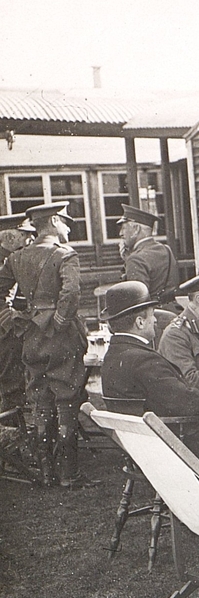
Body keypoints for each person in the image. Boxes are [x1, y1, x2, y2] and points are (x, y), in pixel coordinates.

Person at [99, 280, 199, 474]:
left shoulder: (113, 356)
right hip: (171, 447)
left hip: (138, 445)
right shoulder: (144, 360)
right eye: (151, 317)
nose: (156, 321)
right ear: (140, 322)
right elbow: (186, 400)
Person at [0, 203, 92, 487]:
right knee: (66, 400)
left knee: (40, 401)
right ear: (52, 221)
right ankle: (68, 474)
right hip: (60, 337)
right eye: (65, 222)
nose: (67, 227)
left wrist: (13, 319)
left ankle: (46, 473)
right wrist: (61, 322)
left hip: (31, 335)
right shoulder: (65, 254)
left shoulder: (16, 258)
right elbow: (72, 292)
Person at [0, 215, 34, 415]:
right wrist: (10, 319)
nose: (30, 241)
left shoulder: (14, 257)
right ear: (10, 239)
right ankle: (12, 428)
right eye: (26, 236)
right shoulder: (6, 261)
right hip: (4, 328)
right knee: (10, 379)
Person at [117, 204, 179, 306]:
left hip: (151, 317)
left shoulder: (135, 259)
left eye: (124, 228)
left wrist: (129, 261)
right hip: (171, 312)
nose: (121, 233)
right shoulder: (166, 249)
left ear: (136, 229)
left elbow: (137, 301)